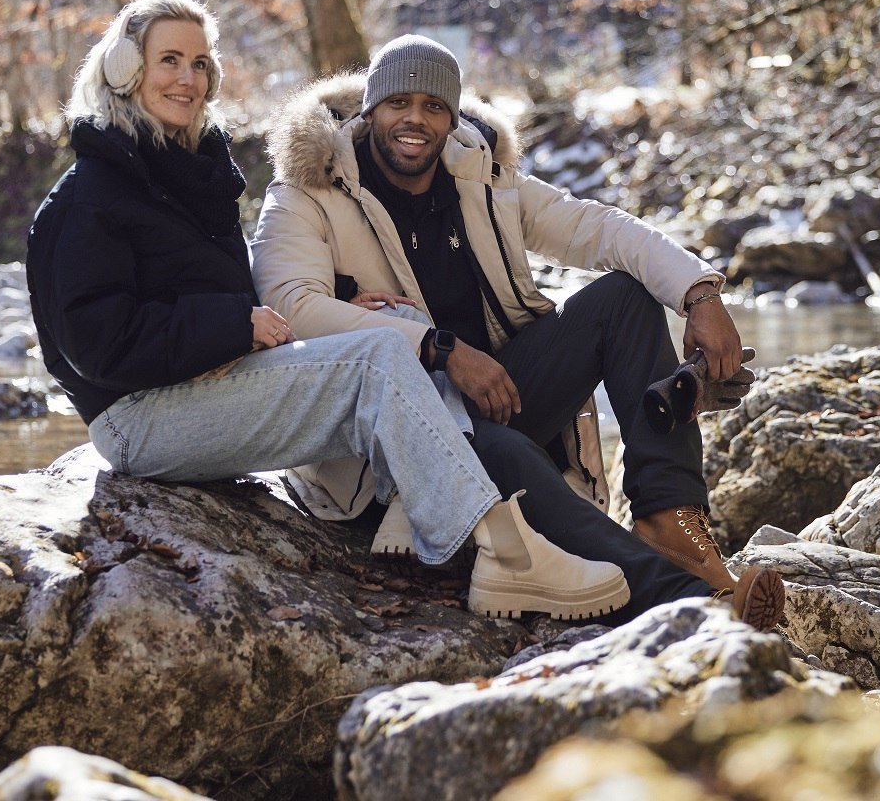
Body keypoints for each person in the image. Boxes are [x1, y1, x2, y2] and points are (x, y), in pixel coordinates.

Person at [24, 0, 630, 621]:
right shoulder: (88, 197)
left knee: (397, 324)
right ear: (126, 69)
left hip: (202, 384)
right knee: (377, 354)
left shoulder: (185, 173)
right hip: (137, 418)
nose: (188, 78)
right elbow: (94, 344)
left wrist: (341, 297)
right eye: (169, 60)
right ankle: (507, 557)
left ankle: (426, 502)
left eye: (201, 63)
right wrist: (231, 325)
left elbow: (225, 290)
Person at [251, 34, 786, 630]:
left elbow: (598, 228)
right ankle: (687, 602)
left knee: (624, 298)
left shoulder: (480, 180)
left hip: (494, 394)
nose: (415, 120)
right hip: (390, 439)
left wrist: (700, 294)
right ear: (370, 108)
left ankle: (674, 525)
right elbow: (288, 307)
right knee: (507, 454)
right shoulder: (306, 190)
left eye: (434, 107)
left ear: (452, 120)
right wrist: (440, 350)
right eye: (399, 102)